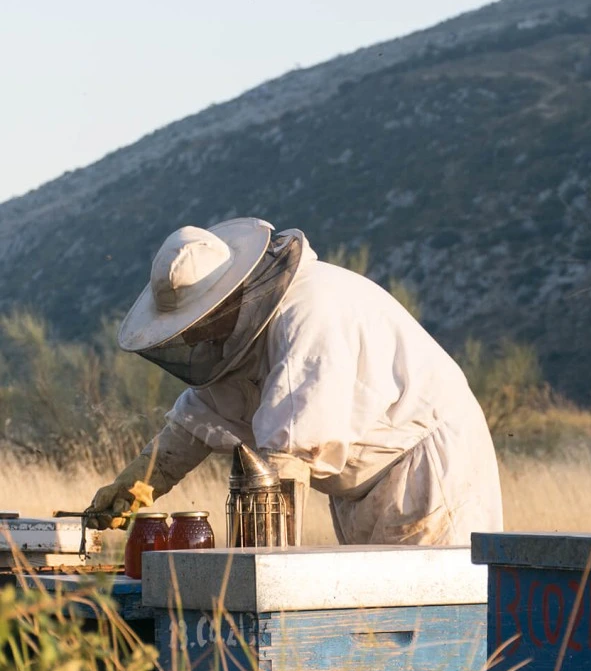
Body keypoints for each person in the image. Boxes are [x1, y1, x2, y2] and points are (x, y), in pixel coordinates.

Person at [88, 217, 503, 545]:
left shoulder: (309, 312)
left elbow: (290, 451)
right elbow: (196, 422)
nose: (194, 337)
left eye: (197, 323)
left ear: (228, 300)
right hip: (360, 490)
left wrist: (267, 574)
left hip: (428, 473)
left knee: (430, 629)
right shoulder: (237, 339)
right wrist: (135, 483)